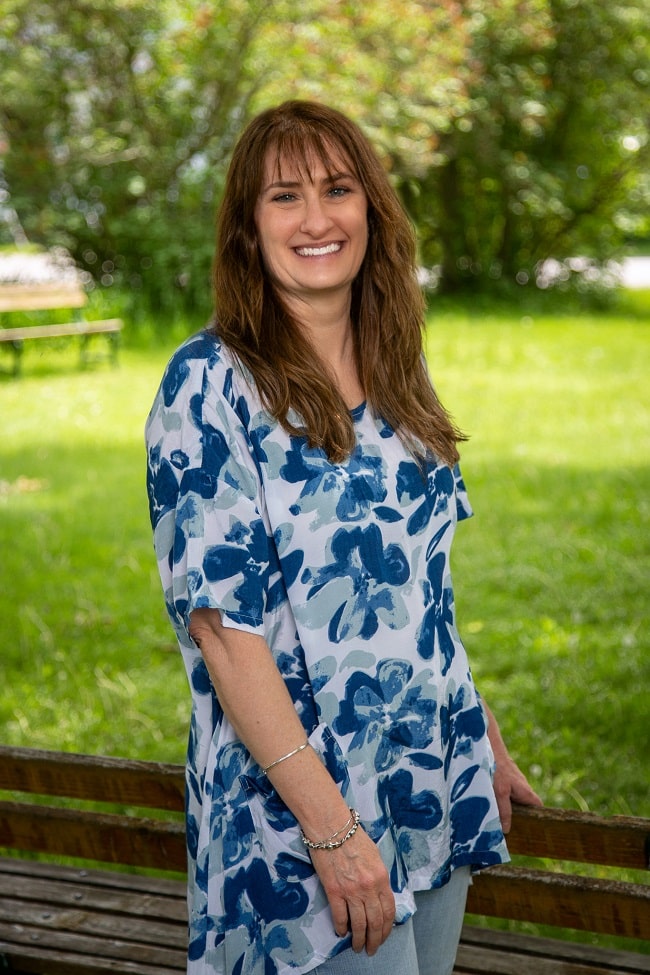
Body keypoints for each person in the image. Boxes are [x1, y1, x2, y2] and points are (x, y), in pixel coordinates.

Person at [145, 100, 542, 975]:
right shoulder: (208, 388)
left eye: (337, 188)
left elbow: (421, 591)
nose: (317, 218)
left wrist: (483, 735)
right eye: (285, 196)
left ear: (372, 209)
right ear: (250, 229)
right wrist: (331, 830)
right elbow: (224, 633)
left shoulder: (397, 368)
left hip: (428, 777)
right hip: (294, 814)